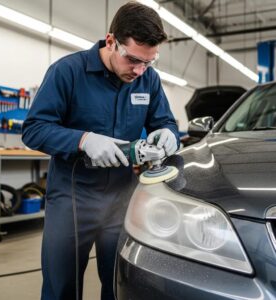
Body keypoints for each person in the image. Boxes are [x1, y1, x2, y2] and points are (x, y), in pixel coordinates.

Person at [22, 2, 180, 299]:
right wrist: (83, 140)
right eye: (133, 59)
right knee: (62, 287)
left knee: (122, 283)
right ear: (111, 41)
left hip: (122, 197)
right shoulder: (67, 72)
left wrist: (169, 134)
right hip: (72, 197)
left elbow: (165, 121)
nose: (139, 70)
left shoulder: (148, 78)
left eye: (149, 61)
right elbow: (33, 129)